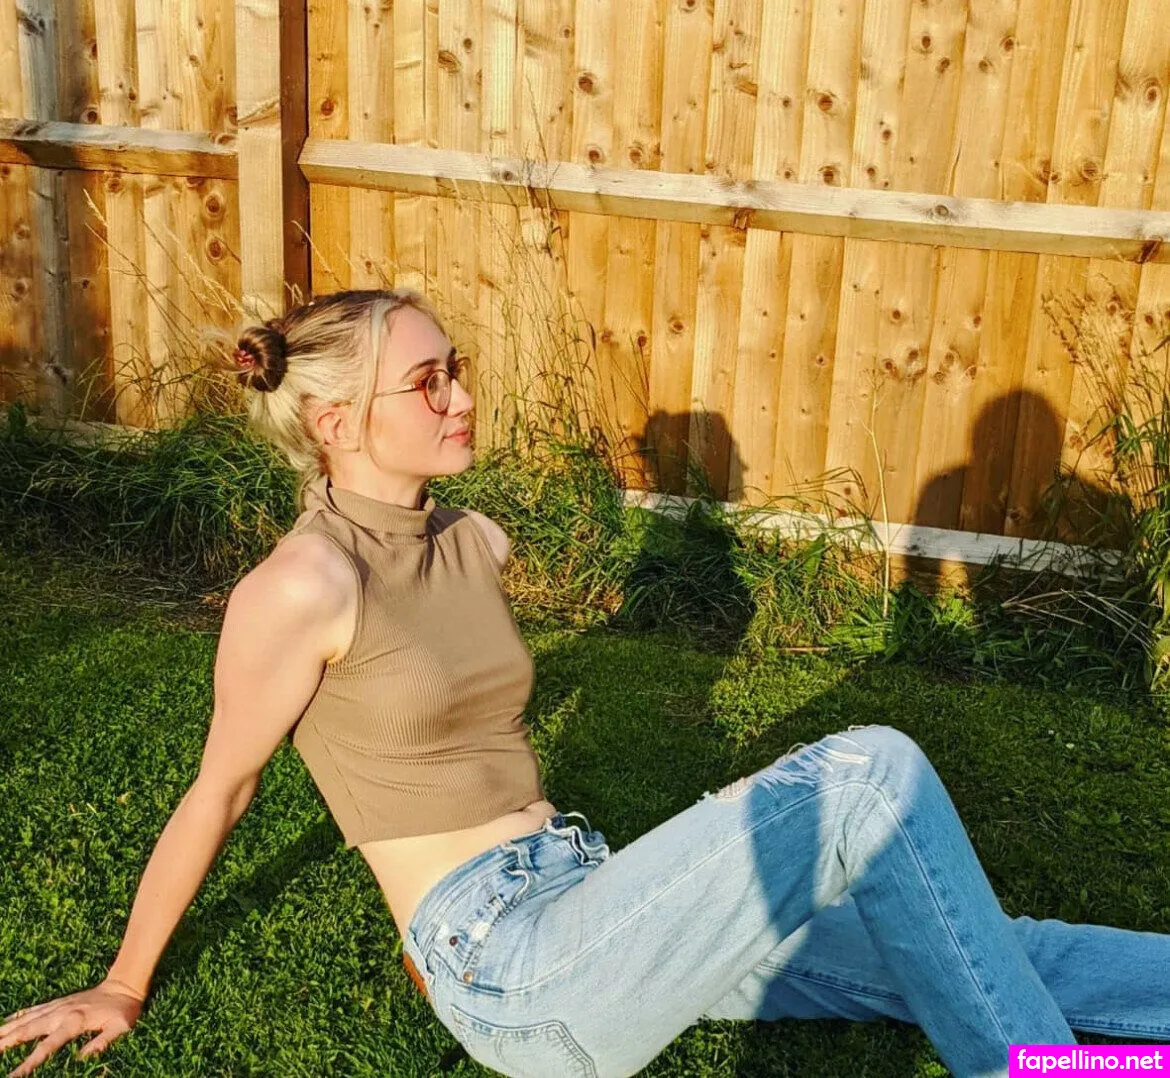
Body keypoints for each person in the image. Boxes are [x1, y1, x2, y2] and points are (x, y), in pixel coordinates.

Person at [1, 288, 1168, 1078]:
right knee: (870, 775)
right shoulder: (302, 584)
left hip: (592, 897)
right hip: (509, 963)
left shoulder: (474, 540)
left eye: (457, 371)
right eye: (427, 383)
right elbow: (221, 788)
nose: (462, 397)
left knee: (971, 938)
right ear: (336, 420)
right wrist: (123, 983)